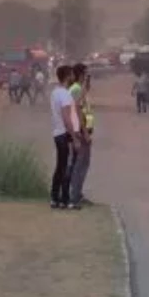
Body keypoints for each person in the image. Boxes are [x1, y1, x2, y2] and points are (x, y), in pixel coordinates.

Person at [49, 64, 81, 209]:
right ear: (68, 76)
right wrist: (74, 137)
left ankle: (55, 198)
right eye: (71, 74)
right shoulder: (66, 94)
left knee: (60, 167)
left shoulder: (55, 92)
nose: (73, 76)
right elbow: (67, 117)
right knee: (67, 167)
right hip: (64, 134)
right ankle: (65, 200)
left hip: (57, 133)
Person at [68, 66, 95, 208]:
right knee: (79, 165)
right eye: (85, 73)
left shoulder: (78, 88)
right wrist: (83, 132)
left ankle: (77, 194)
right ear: (80, 74)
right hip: (80, 132)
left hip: (83, 131)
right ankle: (74, 196)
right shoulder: (76, 89)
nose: (87, 75)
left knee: (83, 164)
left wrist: (87, 82)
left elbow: (85, 93)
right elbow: (77, 110)